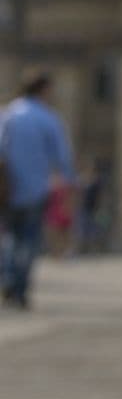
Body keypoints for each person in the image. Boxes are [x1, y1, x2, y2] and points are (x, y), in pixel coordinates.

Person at [0, 71, 75, 308]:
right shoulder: (48, 118)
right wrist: (69, 182)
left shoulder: (8, 115)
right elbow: (62, 156)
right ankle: (20, 287)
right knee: (29, 239)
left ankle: (8, 277)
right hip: (34, 189)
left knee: (10, 236)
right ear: (43, 90)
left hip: (8, 189)